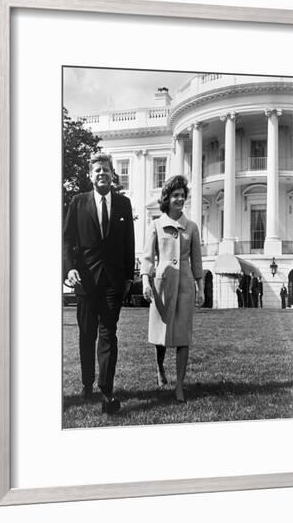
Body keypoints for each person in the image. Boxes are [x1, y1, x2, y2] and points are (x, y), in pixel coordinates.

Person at [63, 153, 135, 414]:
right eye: (97, 171)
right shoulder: (77, 203)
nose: (101, 173)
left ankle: (106, 390)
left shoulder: (123, 204)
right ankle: (87, 383)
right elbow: (67, 239)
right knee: (87, 334)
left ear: (112, 174)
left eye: (105, 170)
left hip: (113, 282)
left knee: (108, 334)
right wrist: (69, 268)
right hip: (85, 281)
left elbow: (129, 242)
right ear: (90, 175)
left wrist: (128, 276)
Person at [141, 175, 204, 403]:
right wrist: (146, 282)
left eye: (182, 195)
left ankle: (179, 385)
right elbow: (147, 257)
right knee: (160, 335)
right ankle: (159, 369)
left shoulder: (192, 227)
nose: (179, 199)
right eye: (175, 195)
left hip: (186, 285)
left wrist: (201, 287)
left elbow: (198, 261)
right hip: (163, 285)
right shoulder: (156, 225)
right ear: (166, 198)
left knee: (183, 336)